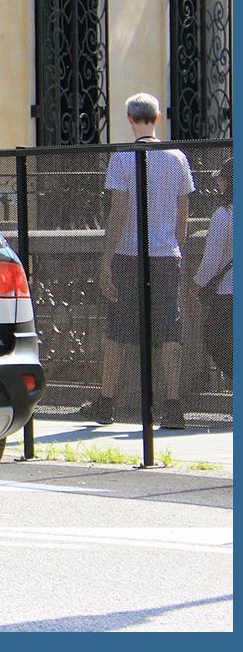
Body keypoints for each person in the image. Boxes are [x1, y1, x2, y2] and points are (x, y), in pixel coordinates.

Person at [78, 93, 195, 428]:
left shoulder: (123, 157)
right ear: (158, 117)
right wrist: (179, 254)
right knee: (169, 330)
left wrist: (106, 261)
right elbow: (182, 216)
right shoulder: (177, 158)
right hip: (166, 255)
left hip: (129, 254)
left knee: (118, 329)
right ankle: (173, 406)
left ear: (130, 118)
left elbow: (117, 213)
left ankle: (107, 402)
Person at [194, 157, 232, 378]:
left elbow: (211, 261)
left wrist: (196, 285)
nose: (218, 183)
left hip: (229, 292)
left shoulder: (224, 215)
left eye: (222, 179)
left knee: (215, 341)